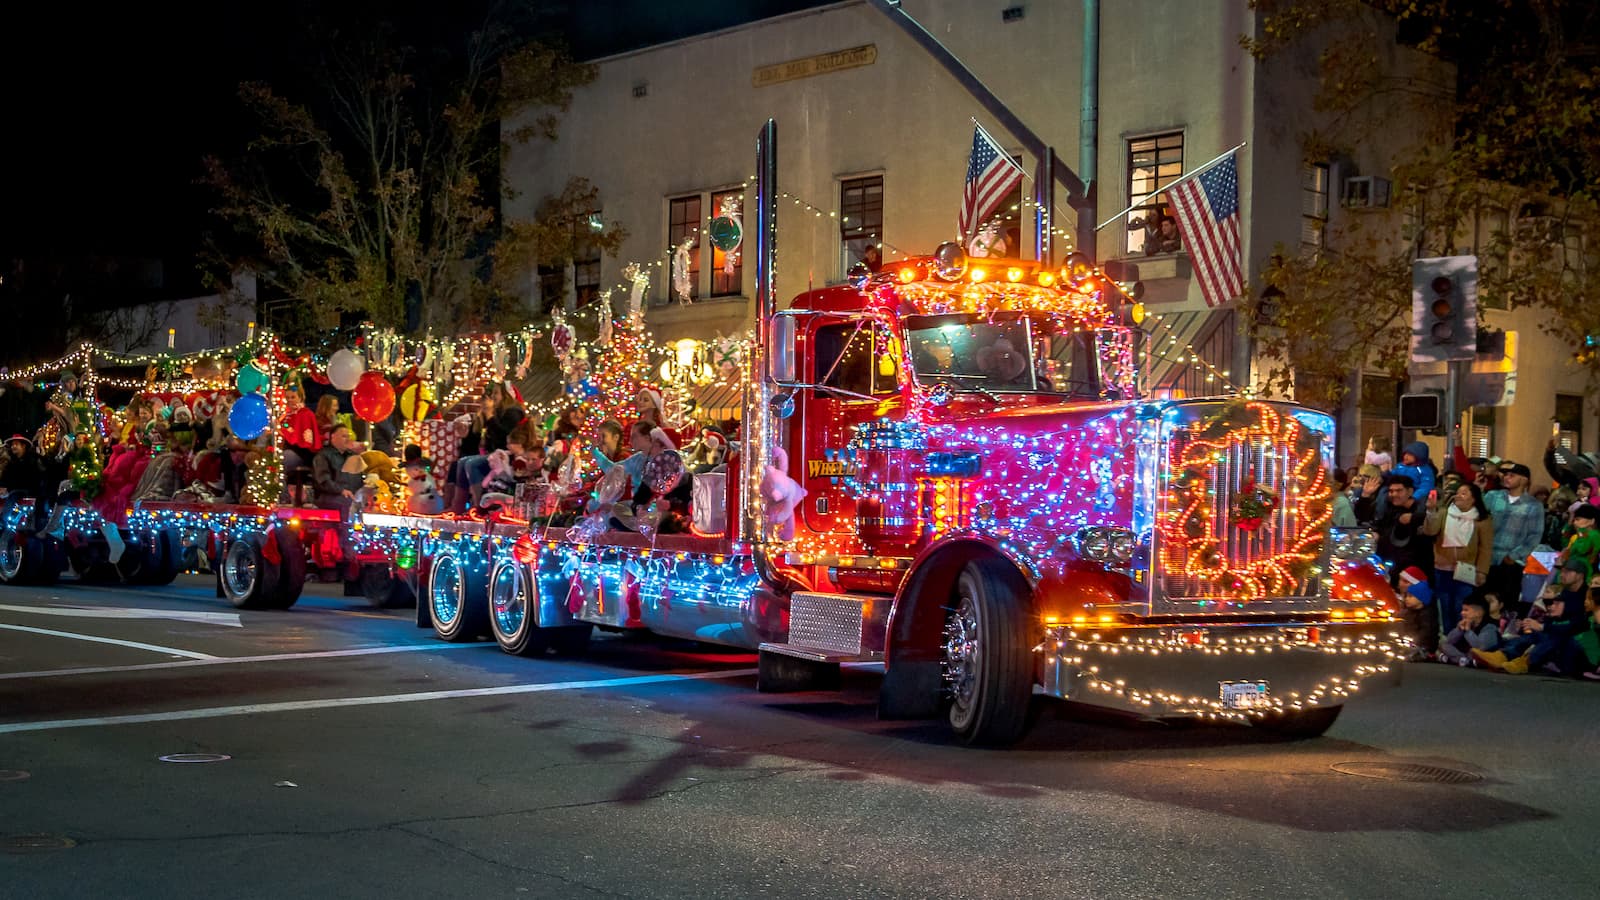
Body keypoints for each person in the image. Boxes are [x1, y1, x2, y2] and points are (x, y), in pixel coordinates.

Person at [1420, 481, 1493, 631]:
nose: (1458, 496)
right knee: (1444, 605)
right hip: (1442, 567)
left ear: (1473, 499)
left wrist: (1482, 571)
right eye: (1458, 492)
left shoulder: (1481, 519)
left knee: (1461, 605)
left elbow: (1485, 547)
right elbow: (1430, 531)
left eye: (1464, 493)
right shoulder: (1444, 513)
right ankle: (1446, 635)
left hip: (1466, 569)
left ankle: (1461, 635)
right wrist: (1431, 511)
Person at [1483, 461, 1547, 610]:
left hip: (1511, 562)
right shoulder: (1493, 496)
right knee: (1484, 601)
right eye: (1505, 475)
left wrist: (1514, 556)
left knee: (1507, 603)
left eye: (1512, 475)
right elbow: (1479, 520)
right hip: (1487, 558)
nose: (1507, 478)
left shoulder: (1533, 505)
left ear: (1524, 479)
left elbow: (1534, 536)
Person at [312, 424, 366, 516]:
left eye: (348, 436)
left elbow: (361, 478)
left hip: (352, 495)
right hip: (329, 495)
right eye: (344, 436)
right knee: (347, 502)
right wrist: (341, 490)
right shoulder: (323, 455)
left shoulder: (353, 456)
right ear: (333, 437)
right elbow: (323, 480)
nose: (348, 439)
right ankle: (345, 529)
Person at [1439, 597, 1499, 666]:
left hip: (1483, 654)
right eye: (1462, 610)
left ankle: (1455, 659)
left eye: (1466, 610)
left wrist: (1468, 631)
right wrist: (1459, 629)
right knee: (1443, 644)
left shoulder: (1490, 626)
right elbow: (1448, 641)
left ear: (1478, 613)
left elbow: (1480, 647)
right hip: (1466, 654)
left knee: (1473, 652)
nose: (1462, 613)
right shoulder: (1466, 623)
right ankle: (1463, 660)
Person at [1397, 566, 1438, 659]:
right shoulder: (1407, 612)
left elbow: (1426, 632)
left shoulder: (1426, 614)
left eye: (1410, 596)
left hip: (1421, 644)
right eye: (1406, 596)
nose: (1407, 599)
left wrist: (1414, 642)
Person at [280, 386, 321, 471]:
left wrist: (283, 429)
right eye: (287, 397)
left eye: (293, 397)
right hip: (288, 449)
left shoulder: (305, 414)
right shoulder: (287, 415)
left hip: (301, 453)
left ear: (300, 398)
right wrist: (283, 427)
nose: (290, 400)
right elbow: (287, 426)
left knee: (281, 460)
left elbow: (298, 437)